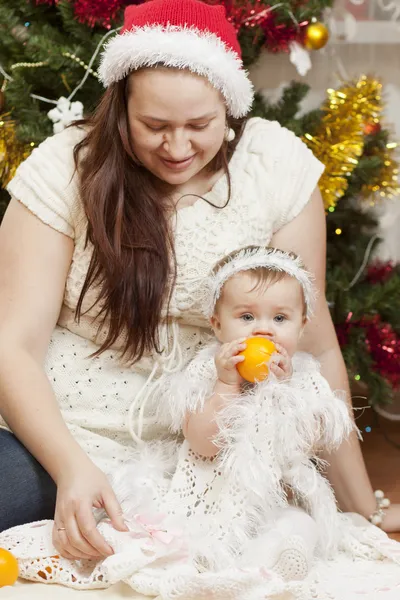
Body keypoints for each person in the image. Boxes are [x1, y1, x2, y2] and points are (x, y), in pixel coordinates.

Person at [0, 0, 398, 564]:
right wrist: (71, 468)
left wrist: (365, 509)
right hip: (61, 432)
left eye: (200, 126)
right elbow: (12, 345)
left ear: (229, 108)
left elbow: (314, 344)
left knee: (262, 552)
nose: (178, 147)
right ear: (120, 110)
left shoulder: (273, 168)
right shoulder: (66, 167)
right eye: (154, 127)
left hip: (208, 447)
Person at [1, 246, 398, 599]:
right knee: (176, 541)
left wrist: (283, 395)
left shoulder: (305, 379)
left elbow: (308, 444)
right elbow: (204, 441)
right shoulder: (209, 372)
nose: (264, 329)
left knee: (299, 528)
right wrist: (228, 385)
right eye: (246, 316)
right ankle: (221, 572)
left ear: (302, 325)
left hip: (273, 505)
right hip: (206, 502)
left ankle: (263, 570)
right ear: (217, 324)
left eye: (280, 317)